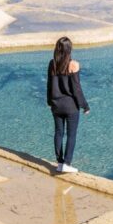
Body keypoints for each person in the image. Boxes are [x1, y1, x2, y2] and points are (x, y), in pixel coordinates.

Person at [46, 36, 90, 173]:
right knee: (71, 135)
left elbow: (49, 85)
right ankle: (67, 163)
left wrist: (49, 102)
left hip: (56, 105)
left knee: (58, 133)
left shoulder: (52, 64)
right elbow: (76, 88)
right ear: (69, 49)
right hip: (70, 106)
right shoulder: (74, 65)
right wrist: (85, 105)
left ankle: (59, 163)